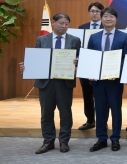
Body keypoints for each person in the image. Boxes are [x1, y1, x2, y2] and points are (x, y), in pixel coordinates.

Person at [20, 13, 81, 154]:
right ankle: (48, 141)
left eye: (66, 24)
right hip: (45, 82)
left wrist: (78, 61)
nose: (64, 26)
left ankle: (64, 141)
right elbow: (36, 58)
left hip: (64, 82)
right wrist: (27, 66)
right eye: (61, 23)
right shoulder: (42, 39)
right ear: (53, 23)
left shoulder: (75, 40)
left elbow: (80, 58)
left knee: (65, 113)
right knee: (46, 113)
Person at [87, 7, 127, 152]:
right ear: (101, 18)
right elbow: (90, 58)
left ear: (116, 19)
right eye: (105, 16)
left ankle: (115, 138)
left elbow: (126, 58)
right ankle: (101, 138)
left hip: (114, 80)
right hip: (98, 80)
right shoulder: (93, 37)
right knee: (100, 109)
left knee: (115, 109)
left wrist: (117, 73)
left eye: (111, 16)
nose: (108, 19)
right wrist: (91, 72)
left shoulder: (124, 36)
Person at [77, 1, 104, 131]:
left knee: (102, 95)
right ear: (89, 13)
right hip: (86, 65)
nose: (95, 14)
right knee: (87, 93)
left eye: (97, 11)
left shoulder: (107, 27)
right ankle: (90, 120)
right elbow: (77, 46)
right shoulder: (81, 28)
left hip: (102, 65)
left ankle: (102, 120)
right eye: (92, 11)